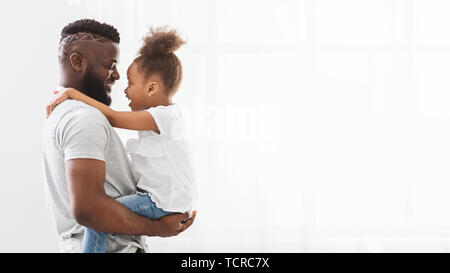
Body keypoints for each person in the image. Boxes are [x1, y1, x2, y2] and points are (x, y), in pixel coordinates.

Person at [42, 19, 195, 253]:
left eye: (131, 81)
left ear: (153, 87)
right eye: (110, 65)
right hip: (121, 239)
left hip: (152, 211)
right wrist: (158, 228)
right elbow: (91, 212)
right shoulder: (83, 119)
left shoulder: (163, 117)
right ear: (78, 61)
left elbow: (113, 117)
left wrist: (71, 94)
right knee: (97, 222)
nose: (118, 78)